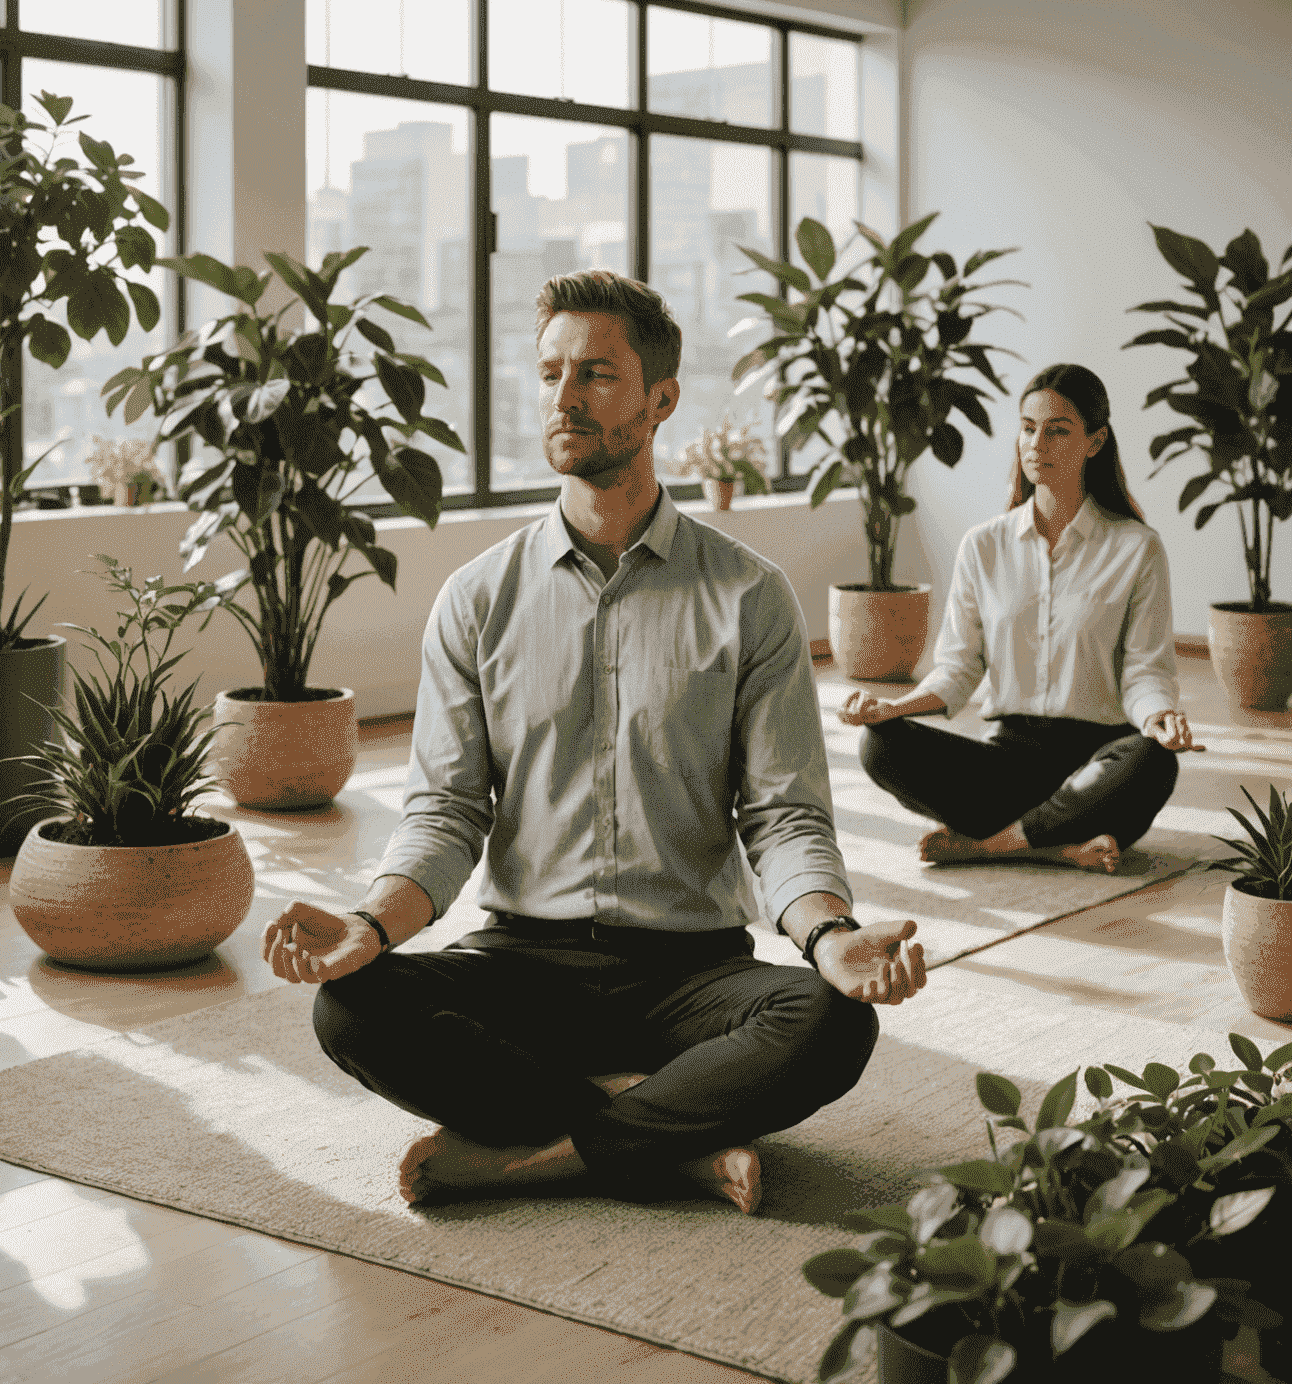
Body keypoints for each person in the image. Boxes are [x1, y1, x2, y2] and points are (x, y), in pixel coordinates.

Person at [263, 269, 928, 1217]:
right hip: (522, 965)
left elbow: (781, 816)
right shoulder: (477, 600)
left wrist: (828, 938)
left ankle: (542, 1154)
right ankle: (669, 1135)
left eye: (597, 376)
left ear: (661, 400)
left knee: (828, 1020)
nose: (563, 399)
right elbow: (446, 813)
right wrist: (367, 928)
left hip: (691, 973)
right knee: (350, 1006)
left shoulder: (749, 596)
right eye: (549, 375)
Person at [838, 363, 1202, 874]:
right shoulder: (983, 546)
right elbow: (958, 670)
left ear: (1094, 442)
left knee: (1153, 762)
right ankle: (1052, 844)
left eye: (1057, 431)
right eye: (1028, 429)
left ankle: (989, 847)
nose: (1037, 444)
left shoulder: (1137, 549)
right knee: (879, 746)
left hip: (1097, 768)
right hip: (1006, 765)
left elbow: (1145, 671)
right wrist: (893, 708)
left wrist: (1158, 717)